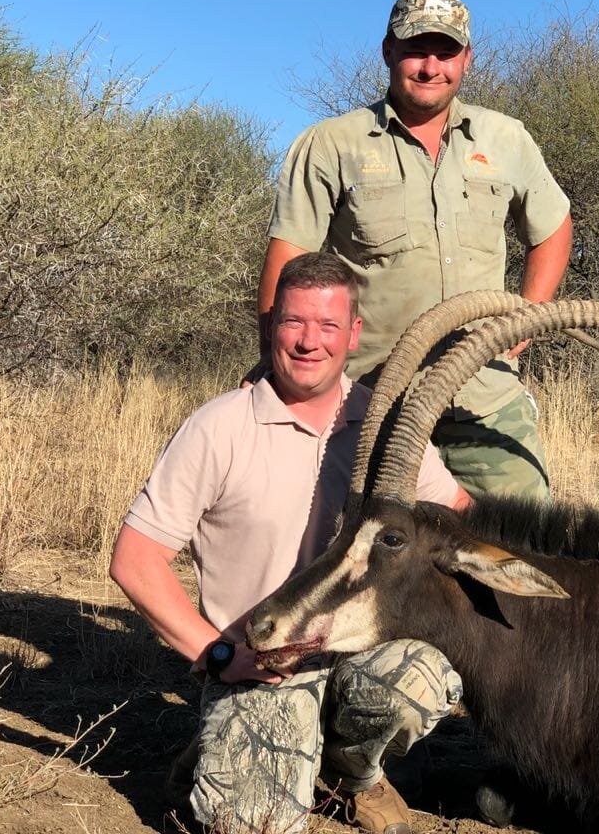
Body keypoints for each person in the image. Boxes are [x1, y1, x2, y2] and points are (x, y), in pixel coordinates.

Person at [111, 253, 471, 834]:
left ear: (354, 334)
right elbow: (135, 560)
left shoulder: (383, 425)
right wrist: (220, 656)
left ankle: (355, 773)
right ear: (271, 325)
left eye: (328, 326)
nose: (309, 342)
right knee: (249, 823)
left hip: (358, 655)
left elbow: (457, 516)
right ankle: (219, 751)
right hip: (263, 665)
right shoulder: (219, 426)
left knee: (423, 679)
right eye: (293, 322)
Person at [253, 0, 573, 503]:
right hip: (371, 400)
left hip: (484, 393)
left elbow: (554, 227)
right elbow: (289, 261)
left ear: (467, 58)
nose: (430, 67)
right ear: (387, 52)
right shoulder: (331, 144)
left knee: (523, 546)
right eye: (415, 50)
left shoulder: (507, 138)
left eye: (445, 52)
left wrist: (529, 316)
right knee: (367, 559)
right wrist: (275, 371)